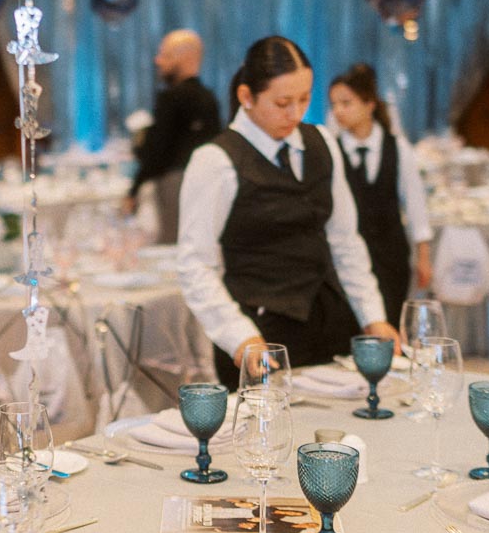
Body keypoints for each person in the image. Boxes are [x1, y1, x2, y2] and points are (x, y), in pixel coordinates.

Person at [176, 36, 400, 388]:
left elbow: (344, 240)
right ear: (246, 96)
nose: (295, 114)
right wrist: (239, 336)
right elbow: (194, 264)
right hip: (259, 334)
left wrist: (372, 315)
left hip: (330, 323)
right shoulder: (215, 161)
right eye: (282, 103)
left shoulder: (322, 141)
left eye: (304, 99)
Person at [328, 63, 433, 325]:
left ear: (369, 104)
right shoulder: (332, 150)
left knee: (390, 322)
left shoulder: (397, 148)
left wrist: (423, 256)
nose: (339, 111)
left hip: (391, 255)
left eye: (346, 103)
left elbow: (415, 204)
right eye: (334, 104)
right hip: (347, 257)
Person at [123, 29, 222, 244]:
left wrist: (134, 189)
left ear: (185, 57)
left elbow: (156, 151)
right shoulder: (209, 98)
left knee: (175, 245)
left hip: (174, 184)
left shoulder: (171, 98)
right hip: (209, 183)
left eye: (165, 55)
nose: (157, 61)